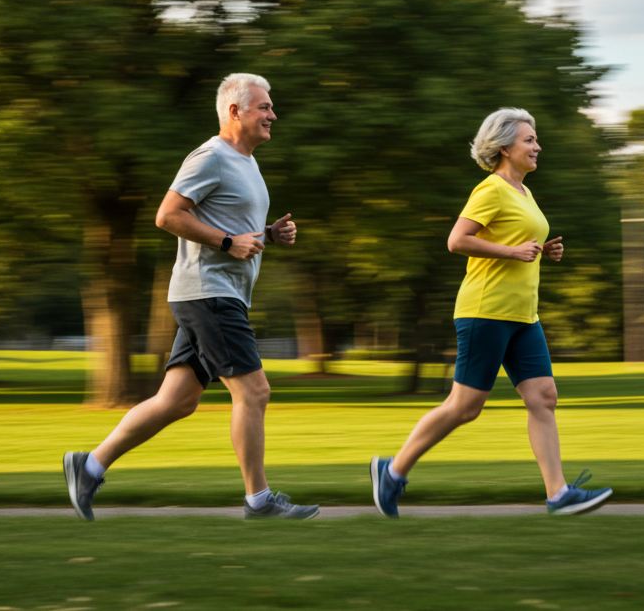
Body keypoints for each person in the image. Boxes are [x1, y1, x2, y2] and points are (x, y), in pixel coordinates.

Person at [64, 73, 319, 521]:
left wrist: (269, 236)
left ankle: (88, 466)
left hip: (219, 294)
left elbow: (233, 229)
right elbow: (167, 216)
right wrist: (225, 242)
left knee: (177, 400)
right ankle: (258, 501)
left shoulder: (245, 162)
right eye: (264, 107)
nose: (273, 115)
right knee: (255, 392)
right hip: (209, 293)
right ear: (235, 111)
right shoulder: (211, 157)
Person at [370, 108, 613, 517]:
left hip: (524, 315)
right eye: (529, 140)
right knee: (465, 407)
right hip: (486, 310)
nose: (537, 146)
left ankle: (558, 493)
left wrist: (542, 251)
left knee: (544, 397)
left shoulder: (523, 192)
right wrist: (512, 252)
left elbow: (518, 244)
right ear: (504, 148)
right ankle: (392, 471)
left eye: (536, 139)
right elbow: (457, 241)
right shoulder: (491, 190)